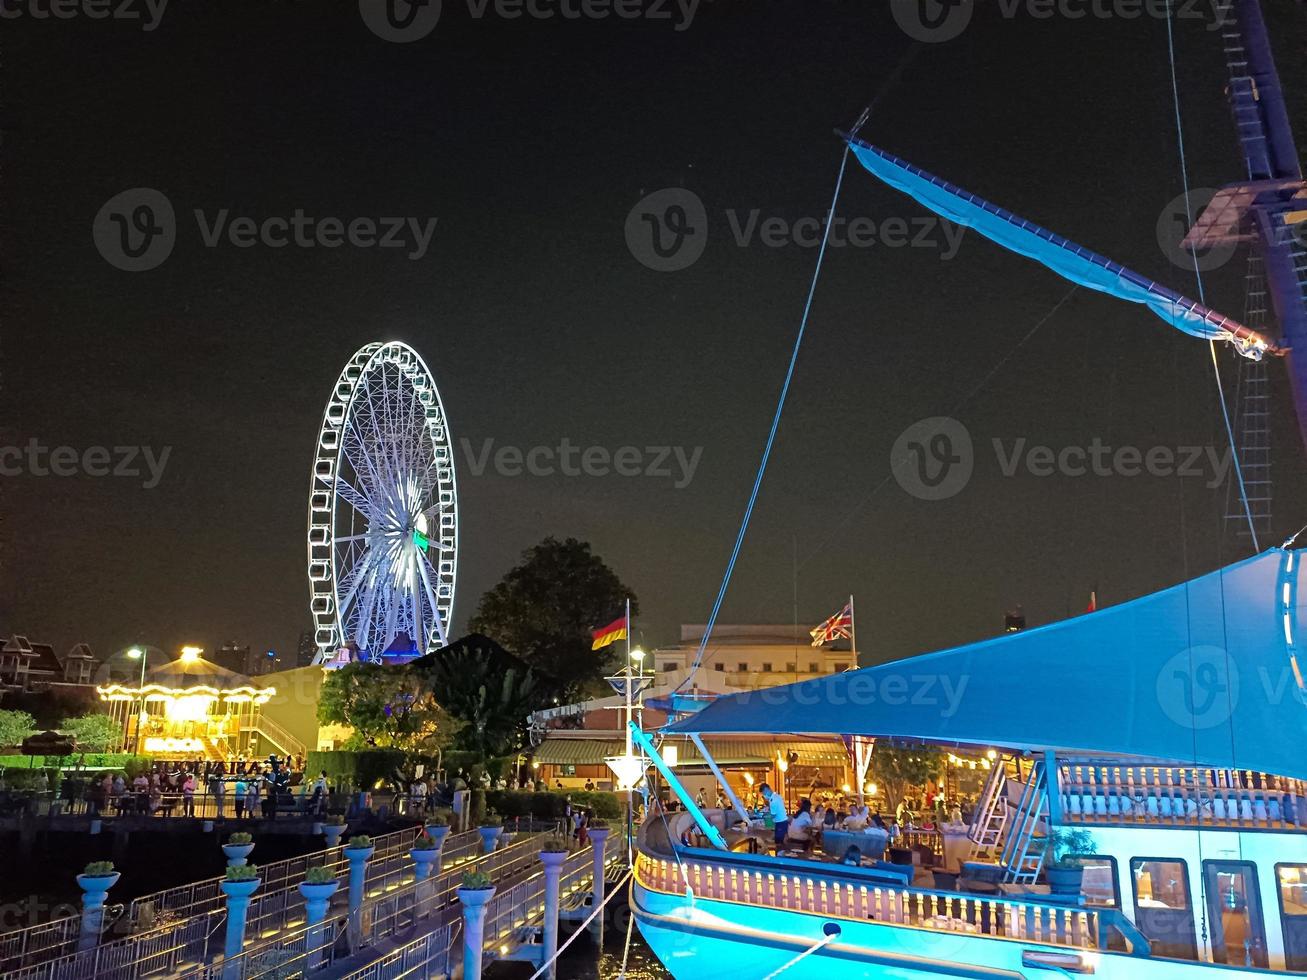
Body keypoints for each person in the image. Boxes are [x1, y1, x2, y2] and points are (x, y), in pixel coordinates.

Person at [760, 783, 788, 852]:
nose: (764, 795)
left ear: (767, 790)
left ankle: (779, 858)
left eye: (763, 793)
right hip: (783, 822)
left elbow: (773, 815)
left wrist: (764, 816)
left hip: (780, 823)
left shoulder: (773, 800)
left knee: (779, 843)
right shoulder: (777, 796)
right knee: (780, 842)